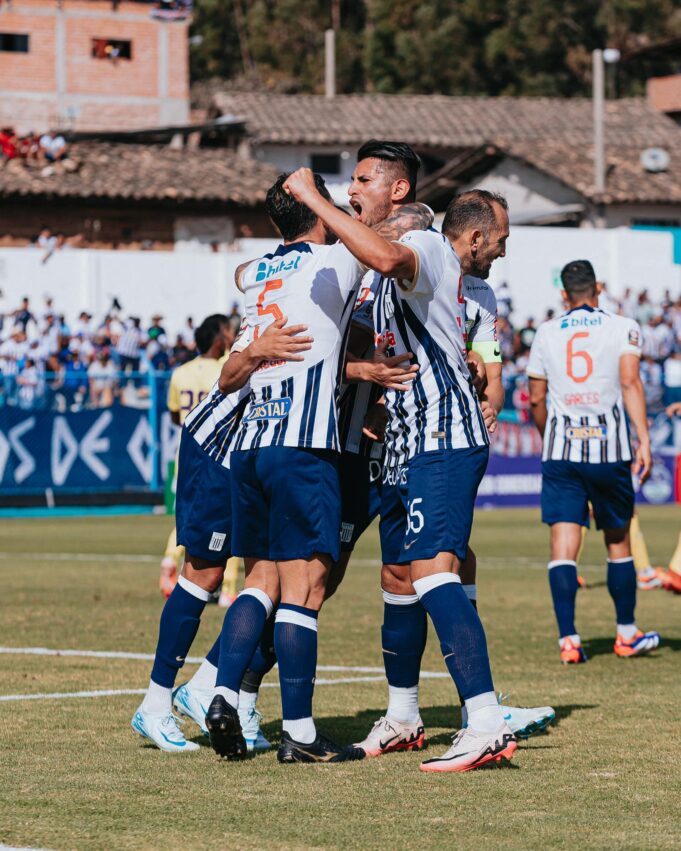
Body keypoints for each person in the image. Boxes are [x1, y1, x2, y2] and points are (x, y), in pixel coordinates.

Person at [283, 172, 517, 772]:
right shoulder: (380, 288)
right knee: (396, 579)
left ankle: (486, 719)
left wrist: (314, 200)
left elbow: (386, 252)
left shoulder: (429, 249)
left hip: (445, 435)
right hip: (402, 446)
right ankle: (404, 717)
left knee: (433, 571)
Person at [204, 173, 372, 765]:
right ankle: (299, 733)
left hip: (252, 444)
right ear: (317, 212)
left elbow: (227, 376)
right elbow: (374, 247)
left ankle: (223, 693)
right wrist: (328, 203)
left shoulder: (252, 276)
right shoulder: (337, 262)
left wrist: (253, 350)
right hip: (303, 446)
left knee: (261, 581)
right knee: (305, 591)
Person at [131, 319, 313, 753]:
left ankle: (208, 684)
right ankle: (155, 705)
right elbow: (230, 374)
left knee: (269, 575)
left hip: (257, 454)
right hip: (217, 450)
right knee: (204, 575)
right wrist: (252, 350)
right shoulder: (274, 305)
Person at [527, 260, 660, 664]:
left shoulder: (545, 332)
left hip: (563, 452)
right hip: (609, 449)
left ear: (564, 295)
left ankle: (569, 640)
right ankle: (625, 634)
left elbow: (535, 399)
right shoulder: (623, 327)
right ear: (597, 289)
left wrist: (548, 436)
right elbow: (629, 381)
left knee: (563, 547)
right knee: (617, 540)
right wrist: (644, 440)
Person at [159, 314, 231, 599]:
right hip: (220, 452)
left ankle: (170, 561)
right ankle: (225, 589)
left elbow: (176, 415)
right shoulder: (228, 367)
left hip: (187, 452)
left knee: (186, 515)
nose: (231, 336)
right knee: (231, 517)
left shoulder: (180, 373)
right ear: (217, 337)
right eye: (227, 331)